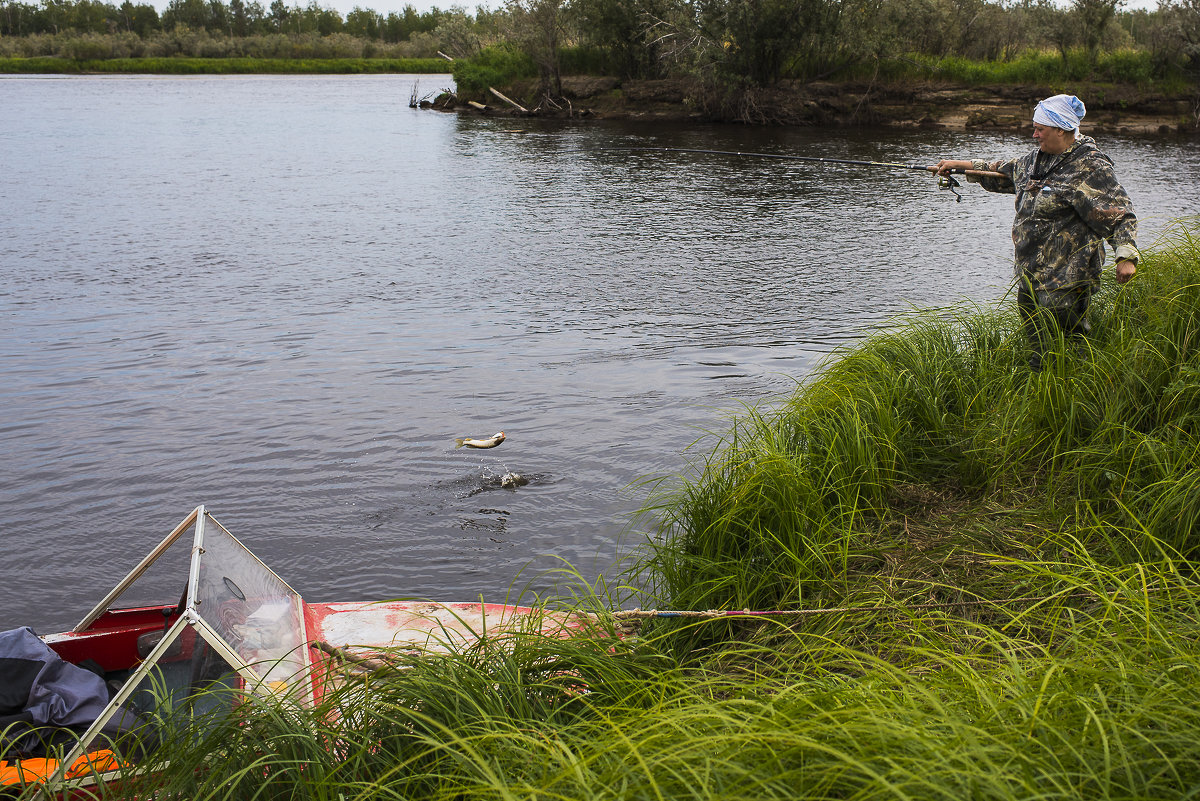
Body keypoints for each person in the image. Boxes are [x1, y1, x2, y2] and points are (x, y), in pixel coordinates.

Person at [935, 94, 1139, 371]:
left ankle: (1075, 392)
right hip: (1030, 273)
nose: (1034, 134)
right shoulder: (1034, 161)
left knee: (1068, 344)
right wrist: (956, 164)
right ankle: (1039, 391)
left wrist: (1126, 256)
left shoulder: (1090, 166)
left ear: (1061, 129)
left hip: (1067, 276)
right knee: (1038, 346)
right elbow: (1001, 171)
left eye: (1040, 129)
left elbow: (1119, 214)